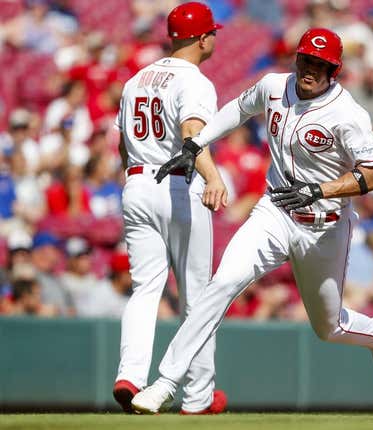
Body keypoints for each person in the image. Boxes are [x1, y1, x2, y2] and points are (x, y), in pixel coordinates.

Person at [131, 27, 373, 414]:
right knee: (222, 283)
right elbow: (238, 109)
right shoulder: (275, 86)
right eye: (306, 59)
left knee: (329, 328)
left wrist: (320, 190)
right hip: (274, 211)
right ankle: (165, 383)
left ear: (335, 70)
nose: (310, 69)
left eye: (320, 64)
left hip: (323, 225)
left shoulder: (348, 115)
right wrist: (197, 142)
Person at [112, 2, 228, 415]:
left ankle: (130, 375)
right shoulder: (194, 81)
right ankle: (198, 396)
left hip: (137, 181)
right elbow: (191, 134)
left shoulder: (137, 78)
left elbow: (122, 143)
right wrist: (213, 176)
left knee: (145, 288)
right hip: (178, 185)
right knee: (198, 294)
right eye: (212, 32)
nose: (215, 37)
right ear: (202, 38)